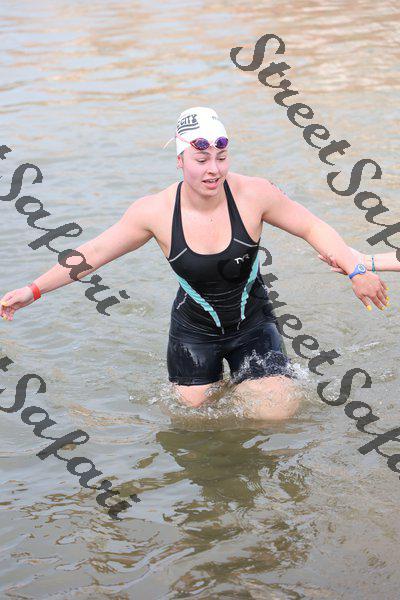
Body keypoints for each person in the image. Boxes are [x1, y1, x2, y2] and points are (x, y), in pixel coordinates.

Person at [0, 107, 388, 421]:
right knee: (194, 419)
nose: (213, 169)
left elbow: (312, 226)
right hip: (194, 333)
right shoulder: (154, 211)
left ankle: (253, 385)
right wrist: (34, 290)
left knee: (275, 413)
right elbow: (93, 254)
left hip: (253, 323)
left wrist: (356, 270)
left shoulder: (255, 194)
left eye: (221, 158)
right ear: (180, 160)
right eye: (201, 159)